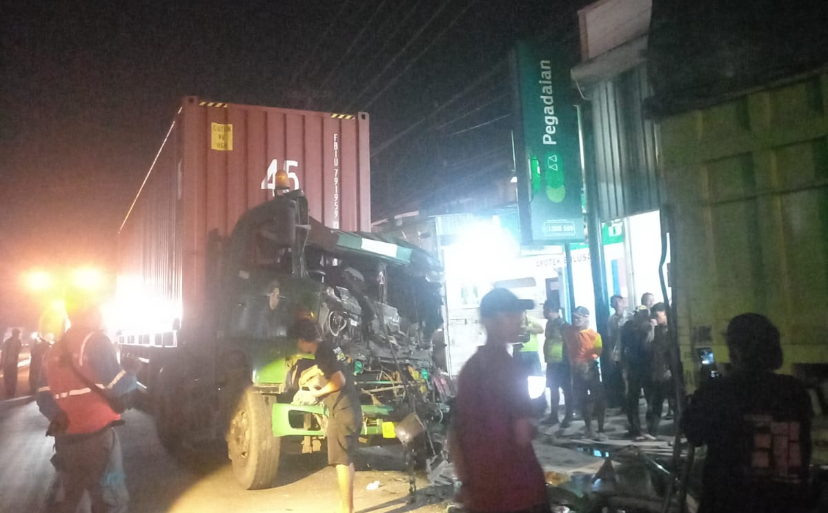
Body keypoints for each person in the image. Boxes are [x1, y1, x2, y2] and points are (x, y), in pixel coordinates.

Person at [682, 314, 813, 513]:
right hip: (787, 502)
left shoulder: (718, 392)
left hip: (730, 503)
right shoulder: (794, 390)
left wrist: (699, 397)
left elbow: (693, 433)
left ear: (735, 350)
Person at [36, 290, 139, 513]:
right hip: (98, 441)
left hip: (66, 442)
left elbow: (43, 397)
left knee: (71, 501)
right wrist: (132, 372)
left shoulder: (53, 351)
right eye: (98, 310)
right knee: (110, 501)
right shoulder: (96, 341)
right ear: (90, 312)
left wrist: (59, 415)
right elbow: (118, 385)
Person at [450, 288, 548, 513]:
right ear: (491, 321)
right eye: (511, 315)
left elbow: (456, 433)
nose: (519, 320)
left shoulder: (470, 369)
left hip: (483, 493)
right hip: (519, 490)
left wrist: (466, 484)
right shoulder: (510, 369)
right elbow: (522, 433)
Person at [294, 318, 363, 513]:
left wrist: (317, 393)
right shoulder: (332, 347)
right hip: (353, 409)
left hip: (341, 412)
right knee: (347, 460)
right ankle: (346, 506)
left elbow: (338, 381)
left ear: (303, 340)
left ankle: (346, 509)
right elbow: (340, 370)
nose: (297, 345)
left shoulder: (322, 353)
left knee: (341, 463)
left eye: (298, 341)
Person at [562, 306, 607, 441]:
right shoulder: (568, 331)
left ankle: (600, 429)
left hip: (590, 369)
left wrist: (586, 364)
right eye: (574, 317)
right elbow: (567, 346)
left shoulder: (594, 335)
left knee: (598, 399)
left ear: (586, 317)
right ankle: (589, 428)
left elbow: (597, 352)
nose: (575, 320)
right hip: (576, 370)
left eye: (578, 317)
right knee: (581, 400)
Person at [622, 306, 656, 440]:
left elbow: (652, 347)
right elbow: (624, 346)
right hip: (633, 367)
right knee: (632, 400)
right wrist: (624, 366)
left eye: (641, 315)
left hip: (647, 367)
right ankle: (635, 428)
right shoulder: (628, 327)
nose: (638, 317)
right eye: (636, 314)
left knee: (651, 399)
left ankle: (651, 429)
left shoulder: (649, 327)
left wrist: (650, 329)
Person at [542, 301, 574, 427]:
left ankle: (569, 416)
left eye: (545, 309)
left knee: (566, 389)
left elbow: (569, 344)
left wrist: (570, 362)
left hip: (562, 362)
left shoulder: (563, 325)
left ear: (551, 310)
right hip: (551, 361)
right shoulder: (549, 323)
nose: (543, 312)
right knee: (553, 388)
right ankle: (554, 415)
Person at [645, 303, 674, 437]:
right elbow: (647, 348)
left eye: (658, 315)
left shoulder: (673, 331)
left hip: (670, 374)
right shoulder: (655, 331)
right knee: (655, 405)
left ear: (665, 314)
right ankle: (652, 432)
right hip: (657, 373)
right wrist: (651, 330)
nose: (656, 319)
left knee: (675, 404)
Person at [605, 295, 630, 410]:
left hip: (631, 350)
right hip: (619, 351)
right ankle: (625, 403)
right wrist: (610, 352)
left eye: (618, 301)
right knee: (622, 377)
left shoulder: (630, 316)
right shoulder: (611, 319)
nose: (617, 304)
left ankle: (630, 402)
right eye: (614, 302)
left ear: (623, 302)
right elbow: (610, 337)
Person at [1, 329, 23, 398]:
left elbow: (3, 353)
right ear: (16, 334)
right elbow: (18, 352)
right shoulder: (18, 342)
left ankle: (8, 392)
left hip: (6, 363)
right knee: (13, 378)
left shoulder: (6, 342)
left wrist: (2, 362)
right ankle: (12, 393)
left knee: (7, 378)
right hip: (13, 363)